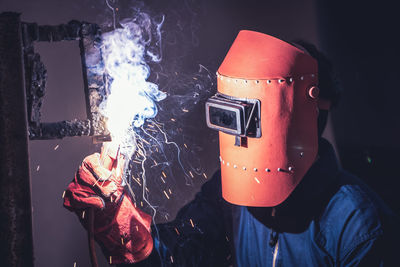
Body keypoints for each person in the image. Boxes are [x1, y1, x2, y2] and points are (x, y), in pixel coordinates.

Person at [63, 30, 399, 266]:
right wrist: (123, 226)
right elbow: (177, 257)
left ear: (307, 113)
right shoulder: (231, 190)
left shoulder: (357, 221)